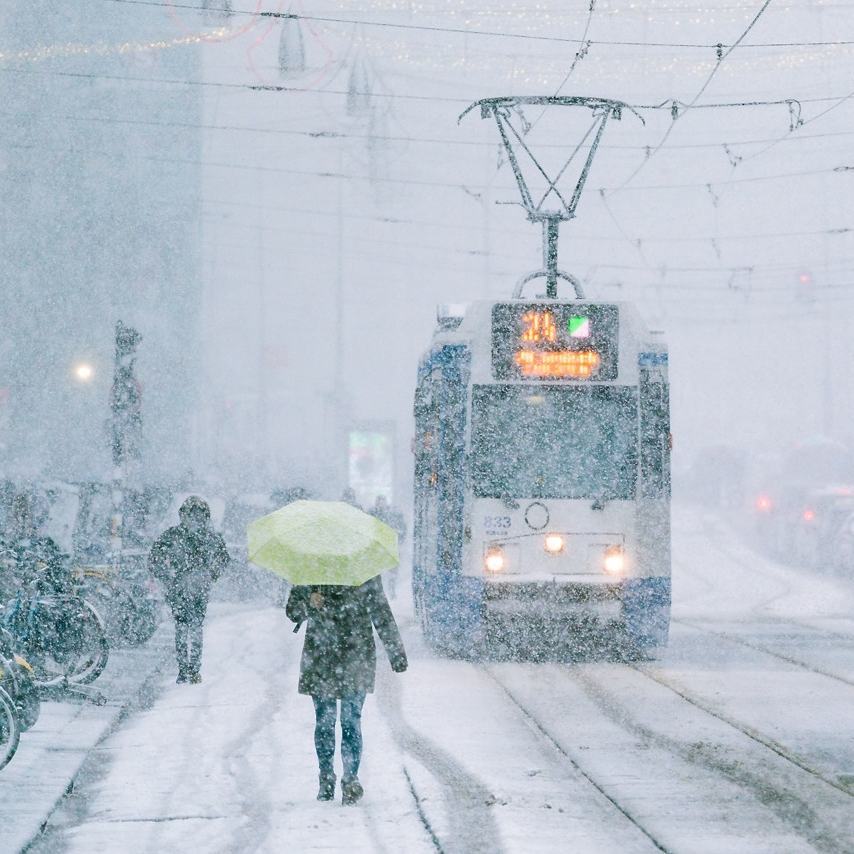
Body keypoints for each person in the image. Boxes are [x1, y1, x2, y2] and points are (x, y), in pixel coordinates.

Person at [286, 576, 407, 805]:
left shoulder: (364, 569)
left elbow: (380, 611)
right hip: (323, 656)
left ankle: (350, 779)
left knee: (350, 720)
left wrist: (396, 653)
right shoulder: (311, 570)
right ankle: (326, 777)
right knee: (325, 721)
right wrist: (308, 601)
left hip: (355, 656)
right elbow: (292, 611)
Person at [148, 496, 229, 684]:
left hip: (181, 586)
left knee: (183, 626)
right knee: (194, 626)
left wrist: (168, 575)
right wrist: (212, 573)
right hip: (198, 585)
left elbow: (154, 558)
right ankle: (193, 669)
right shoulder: (210, 537)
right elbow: (224, 558)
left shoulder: (173, 535)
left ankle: (185, 669)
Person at [369, 496, 407, 598]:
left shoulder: (387, 514)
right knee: (382, 571)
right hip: (379, 547)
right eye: (380, 502)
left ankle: (390, 589)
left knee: (391, 571)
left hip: (387, 547)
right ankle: (382, 591)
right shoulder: (377, 513)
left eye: (383, 502)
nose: (381, 504)